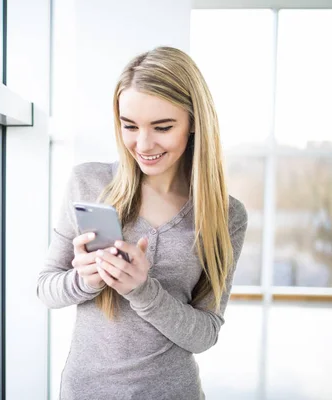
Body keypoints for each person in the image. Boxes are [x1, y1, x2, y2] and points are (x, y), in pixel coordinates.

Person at [37, 46, 248, 400]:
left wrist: (141, 289)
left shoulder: (225, 215)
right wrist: (85, 279)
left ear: (194, 121)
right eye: (129, 126)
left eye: (162, 127)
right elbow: (46, 288)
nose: (143, 144)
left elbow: (206, 333)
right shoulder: (87, 184)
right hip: (86, 391)